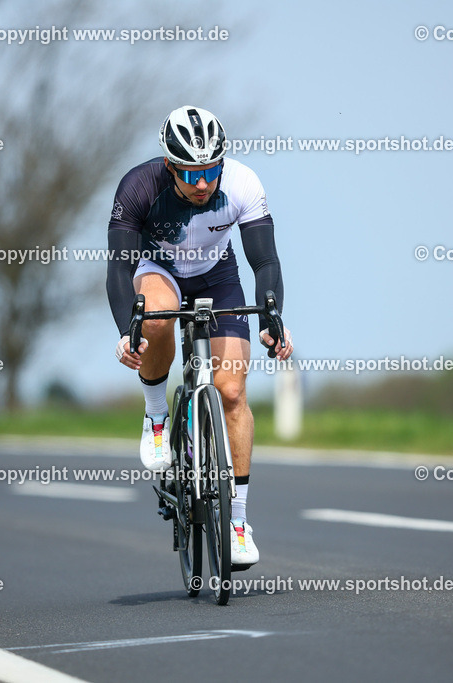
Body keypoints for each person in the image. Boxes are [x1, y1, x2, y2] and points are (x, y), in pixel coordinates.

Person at [106, 105, 292, 569]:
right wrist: (126, 331)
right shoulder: (138, 188)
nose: (204, 182)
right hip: (159, 269)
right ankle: (155, 418)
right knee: (154, 316)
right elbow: (119, 267)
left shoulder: (243, 184)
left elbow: (265, 262)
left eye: (211, 169)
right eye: (192, 173)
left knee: (231, 393)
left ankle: (237, 522)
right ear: (170, 165)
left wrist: (273, 318)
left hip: (217, 276)